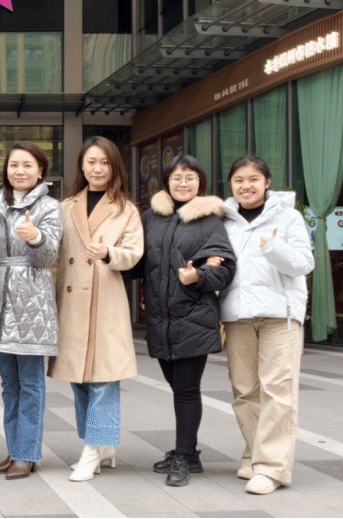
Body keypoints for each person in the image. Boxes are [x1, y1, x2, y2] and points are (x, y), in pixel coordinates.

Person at [134, 154, 235, 486]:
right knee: (177, 387)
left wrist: (199, 276)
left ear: (200, 183)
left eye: (190, 177)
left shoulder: (210, 221)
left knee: (187, 390)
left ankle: (183, 455)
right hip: (160, 319)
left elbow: (225, 268)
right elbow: (138, 261)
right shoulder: (151, 217)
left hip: (194, 316)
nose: (183, 183)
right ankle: (189, 454)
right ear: (166, 182)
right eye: (177, 177)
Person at [47, 136, 143, 481]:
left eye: (104, 162)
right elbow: (55, 259)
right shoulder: (65, 206)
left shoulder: (126, 209)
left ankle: (92, 449)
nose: (97, 169)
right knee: (79, 379)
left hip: (105, 302)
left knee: (103, 378)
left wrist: (108, 253)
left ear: (114, 167)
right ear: (82, 166)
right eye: (91, 162)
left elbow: (134, 252)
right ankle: (102, 445)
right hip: (72, 302)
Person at [220, 156, 314, 495]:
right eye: (239, 180)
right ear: (231, 185)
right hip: (238, 315)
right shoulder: (224, 220)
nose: (246, 186)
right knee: (245, 390)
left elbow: (304, 263)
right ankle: (254, 453)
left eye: (253, 179)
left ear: (267, 182)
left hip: (279, 315)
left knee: (277, 390)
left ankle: (271, 467)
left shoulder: (288, 217)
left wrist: (274, 248)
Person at [0, 142, 62, 480]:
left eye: (28, 165)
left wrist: (35, 236)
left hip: (31, 302)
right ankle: (14, 451)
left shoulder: (49, 207)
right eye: (14, 165)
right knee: (8, 384)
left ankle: (27, 453)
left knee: (30, 384)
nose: (20, 171)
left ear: (41, 171)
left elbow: (48, 256)